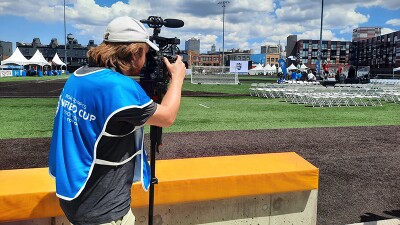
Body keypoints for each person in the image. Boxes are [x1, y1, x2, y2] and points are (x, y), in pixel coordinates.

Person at [48, 16, 186, 225]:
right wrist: (177, 77)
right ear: (134, 53)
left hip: (75, 199)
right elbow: (167, 116)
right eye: (146, 54)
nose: (146, 60)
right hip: (105, 210)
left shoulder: (78, 76)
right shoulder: (118, 87)